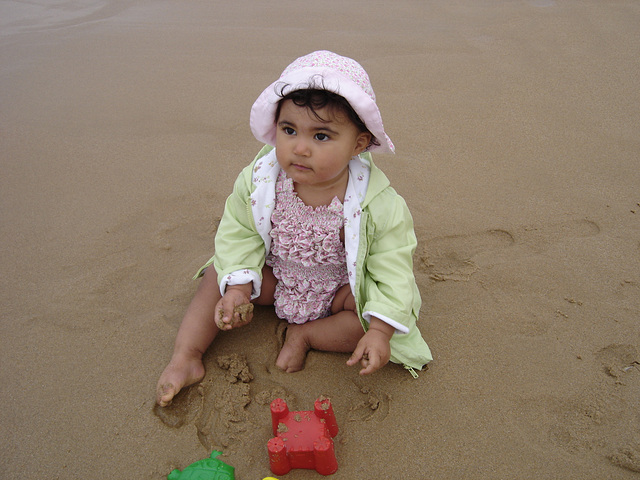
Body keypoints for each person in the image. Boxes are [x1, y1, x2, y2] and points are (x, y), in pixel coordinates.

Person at [156, 50, 432, 407]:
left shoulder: (377, 203)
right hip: (277, 275)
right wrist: (240, 287)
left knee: (381, 325)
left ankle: (306, 336)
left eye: (321, 136)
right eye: (289, 130)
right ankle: (186, 356)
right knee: (216, 275)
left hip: (339, 289)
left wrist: (380, 330)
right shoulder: (261, 181)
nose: (300, 148)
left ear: (359, 144)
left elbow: (392, 266)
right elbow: (239, 231)